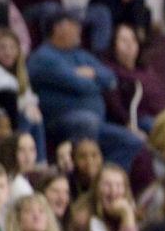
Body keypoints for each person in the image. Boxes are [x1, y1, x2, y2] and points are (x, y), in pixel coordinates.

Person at [29, 12, 142, 167]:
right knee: (87, 121)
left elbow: (111, 79)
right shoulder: (43, 57)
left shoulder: (80, 55)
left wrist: (93, 73)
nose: (79, 29)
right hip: (61, 121)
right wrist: (95, 81)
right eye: (74, 25)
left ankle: (107, 180)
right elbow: (80, 85)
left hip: (96, 122)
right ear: (58, 28)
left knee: (131, 141)